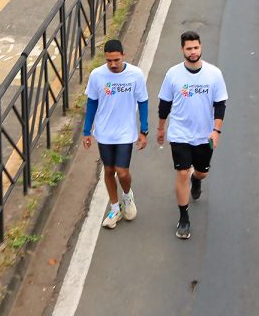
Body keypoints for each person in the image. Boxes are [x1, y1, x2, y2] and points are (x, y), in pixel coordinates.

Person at [157, 31, 227, 240]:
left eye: (196, 47)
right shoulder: (173, 74)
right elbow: (164, 104)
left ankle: (197, 181)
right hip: (179, 133)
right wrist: (161, 128)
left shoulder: (214, 74)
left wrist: (216, 131)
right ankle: (184, 217)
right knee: (182, 173)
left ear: (201, 47)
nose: (193, 52)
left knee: (201, 172)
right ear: (182, 50)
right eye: (189, 48)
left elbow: (220, 104)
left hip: (204, 135)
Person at [82, 39, 149, 229]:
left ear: (123, 56)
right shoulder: (97, 75)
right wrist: (87, 131)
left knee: (122, 171)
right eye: (109, 60)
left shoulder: (135, 75)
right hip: (104, 132)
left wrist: (144, 130)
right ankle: (114, 207)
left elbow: (143, 102)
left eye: (116, 60)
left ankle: (127, 196)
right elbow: (92, 103)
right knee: (109, 171)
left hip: (126, 132)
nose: (112, 64)